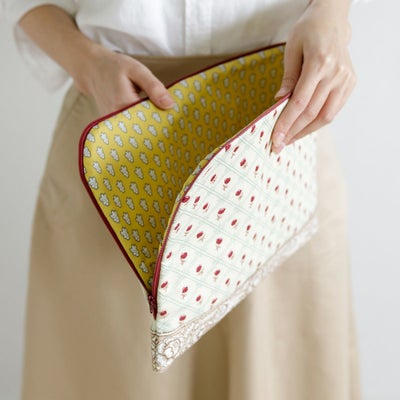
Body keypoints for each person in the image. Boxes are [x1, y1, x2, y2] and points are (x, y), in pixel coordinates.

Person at [4, 0, 362, 399]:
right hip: (121, 134)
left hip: (279, 146)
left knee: (280, 373)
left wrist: (332, 16)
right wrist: (88, 63)